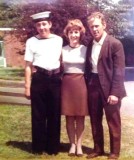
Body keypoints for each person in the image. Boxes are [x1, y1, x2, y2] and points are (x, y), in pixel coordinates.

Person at [85, 12, 126, 160]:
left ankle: (114, 152)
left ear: (104, 25)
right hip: (93, 86)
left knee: (113, 121)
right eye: (91, 27)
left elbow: (119, 71)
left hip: (110, 87)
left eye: (96, 26)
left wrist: (115, 93)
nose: (94, 29)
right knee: (95, 119)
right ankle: (98, 149)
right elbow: (88, 67)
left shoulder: (115, 44)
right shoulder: (90, 44)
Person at [24, 11, 63, 155]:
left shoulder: (59, 40)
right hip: (39, 79)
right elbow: (28, 66)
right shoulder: (31, 41)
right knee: (38, 114)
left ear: (50, 24)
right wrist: (27, 86)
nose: (42, 27)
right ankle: (38, 147)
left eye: (44, 24)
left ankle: (53, 148)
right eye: (39, 25)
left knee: (54, 114)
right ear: (36, 27)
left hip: (55, 79)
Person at [61, 19, 88, 157]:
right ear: (67, 34)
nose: (74, 35)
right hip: (67, 84)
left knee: (80, 116)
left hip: (81, 83)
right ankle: (72, 144)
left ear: (80, 33)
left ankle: (79, 145)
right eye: (71, 32)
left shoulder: (85, 49)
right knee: (69, 117)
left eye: (76, 32)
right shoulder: (62, 50)